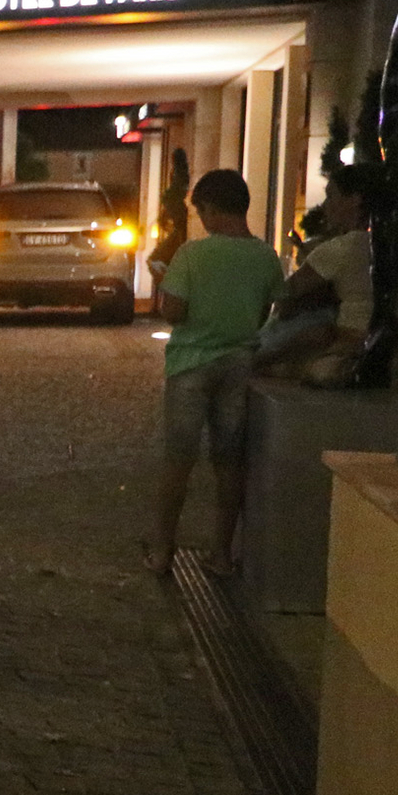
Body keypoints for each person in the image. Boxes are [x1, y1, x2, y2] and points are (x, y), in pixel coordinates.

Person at [146, 169, 285, 577]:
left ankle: (162, 551)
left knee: (179, 460)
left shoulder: (192, 255)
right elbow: (265, 312)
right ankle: (221, 553)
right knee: (229, 462)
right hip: (239, 364)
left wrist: (165, 283)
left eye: (201, 211)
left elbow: (174, 312)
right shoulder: (265, 257)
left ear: (208, 208)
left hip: (191, 364)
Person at [258, 164, 375, 387]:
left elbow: (285, 293)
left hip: (347, 339)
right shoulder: (375, 244)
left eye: (331, 197)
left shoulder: (342, 247)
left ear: (355, 200)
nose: (325, 205)